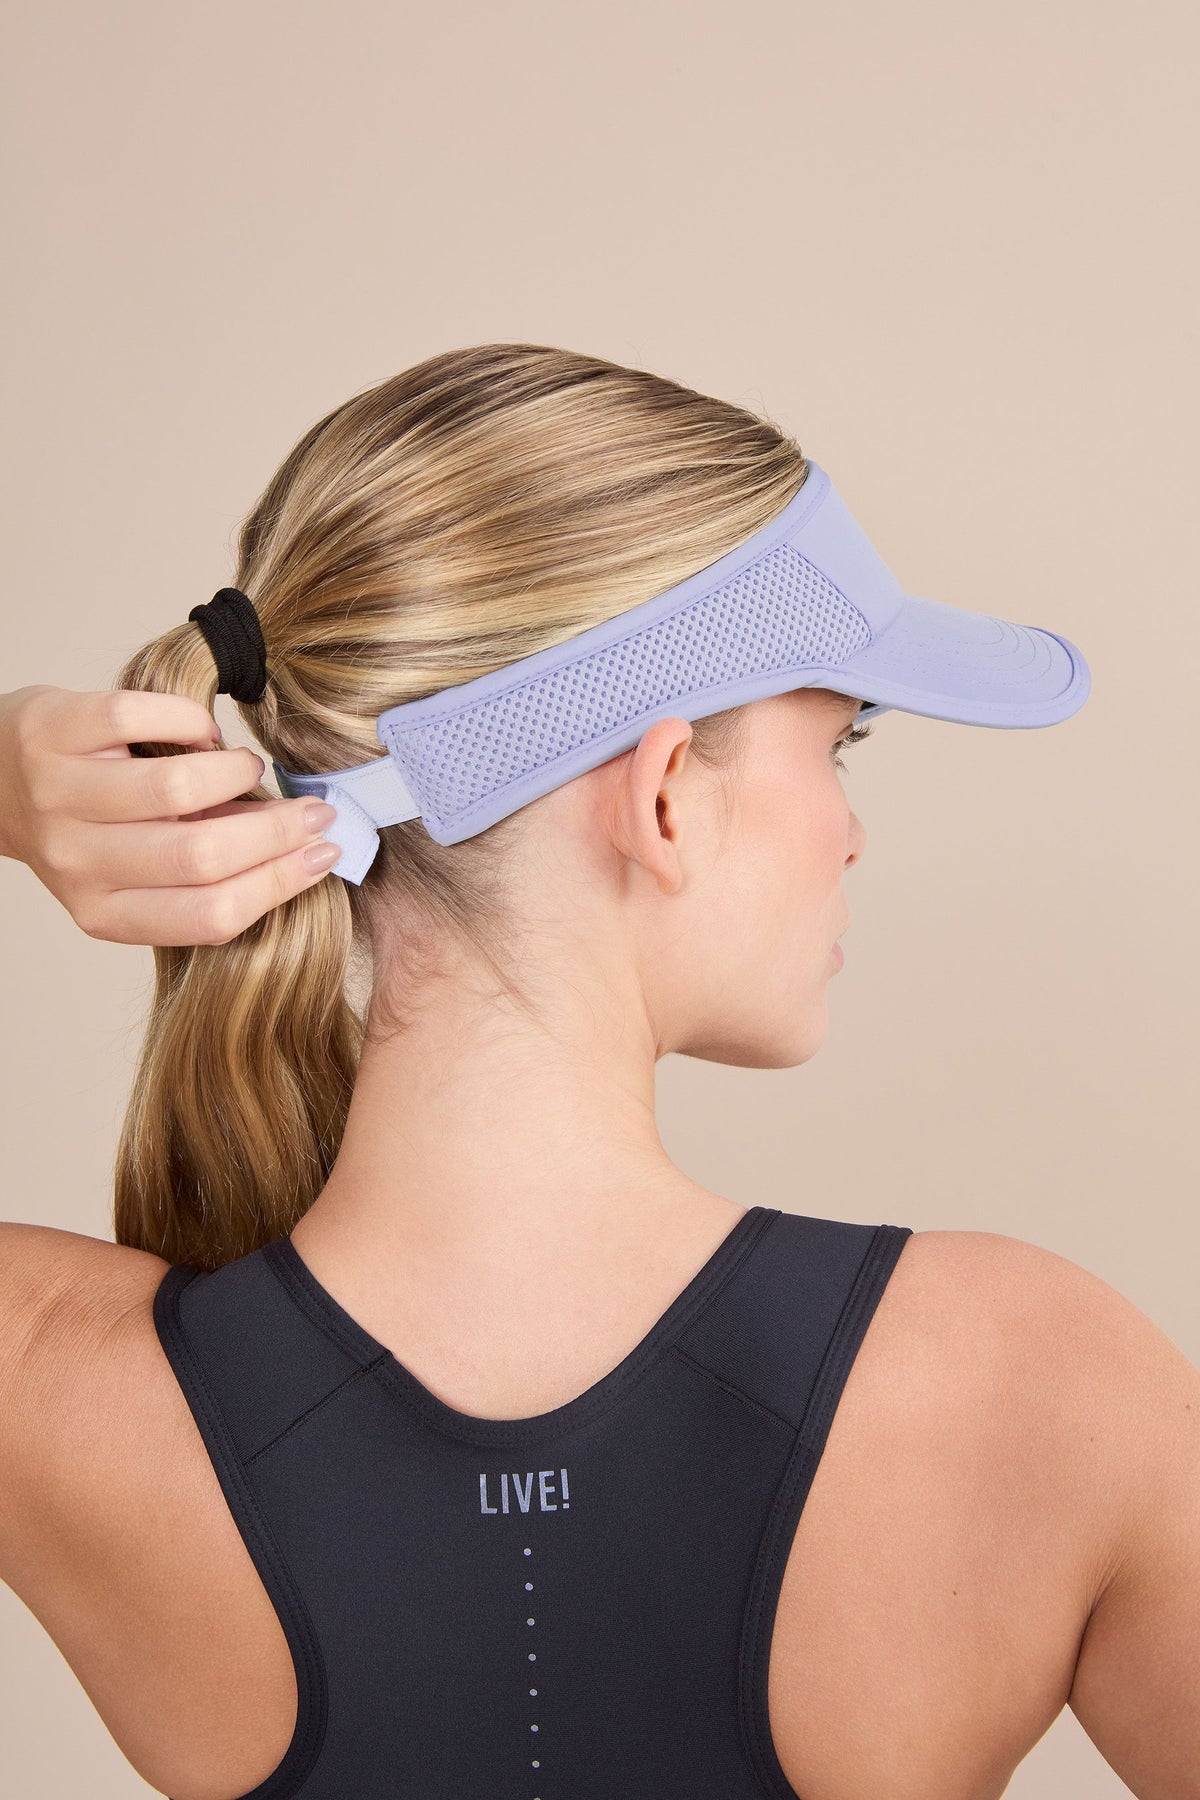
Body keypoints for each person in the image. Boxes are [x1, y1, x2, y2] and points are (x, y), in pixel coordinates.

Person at [0, 343, 1196, 1800]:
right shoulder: (1040, 1385)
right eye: (844, 743)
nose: (851, 833)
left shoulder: (52, 1379)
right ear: (666, 793)